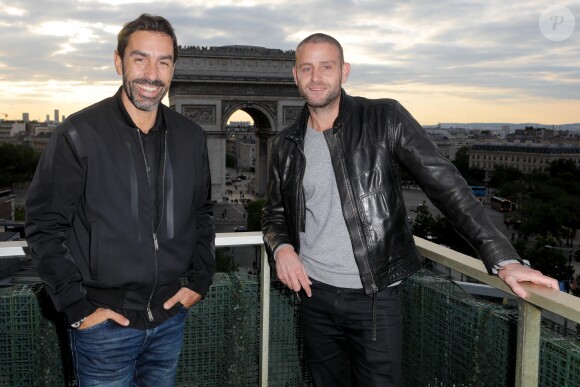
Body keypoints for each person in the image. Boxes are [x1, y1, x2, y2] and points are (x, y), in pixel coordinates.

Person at [261, 33, 558, 386]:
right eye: (307, 68)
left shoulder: (385, 118)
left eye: (327, 66)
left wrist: (501, 256)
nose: (317, 77)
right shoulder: (284, 144)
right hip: (313, 292)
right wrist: (281, 248)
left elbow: (447, 186)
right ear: (295, 76)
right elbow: (274, 214)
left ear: (345, 71)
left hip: (376, 295)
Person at [25, 14, 215, 386]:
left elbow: (202, 213)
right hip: (103, 324)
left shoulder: (191, 136)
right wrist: (77, 308)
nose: (151, 73)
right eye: (140, 59)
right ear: (119, 62)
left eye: (163, 61)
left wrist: (201, 279)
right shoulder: (77, 134)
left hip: (169, 316)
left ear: (174, 68)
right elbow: (44, 226)